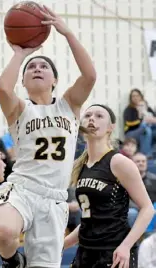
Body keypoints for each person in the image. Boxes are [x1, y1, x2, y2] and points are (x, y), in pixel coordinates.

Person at [0, 4, 96, 268]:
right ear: (22, 81)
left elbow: (90, 75)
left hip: (55, 198)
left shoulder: (69, 104)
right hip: (23, 187)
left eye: (43, 66)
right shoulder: (20, 109)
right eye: (30, 67)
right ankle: (13, 260)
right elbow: (2, 89)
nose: (36, 67)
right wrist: (19, 53)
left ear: (55, 80)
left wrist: (68, 33)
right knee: (3, 231)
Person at [64, 104, 155, 268]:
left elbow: (148, 208)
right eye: (88, 115)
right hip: (85, 251)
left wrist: (126, 246)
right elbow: (89, 219)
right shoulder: (81, 166)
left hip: (113, 251)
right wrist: (62, 245)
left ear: (110, 127)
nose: (92, 118)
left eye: (99, 116)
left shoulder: (118, 162)